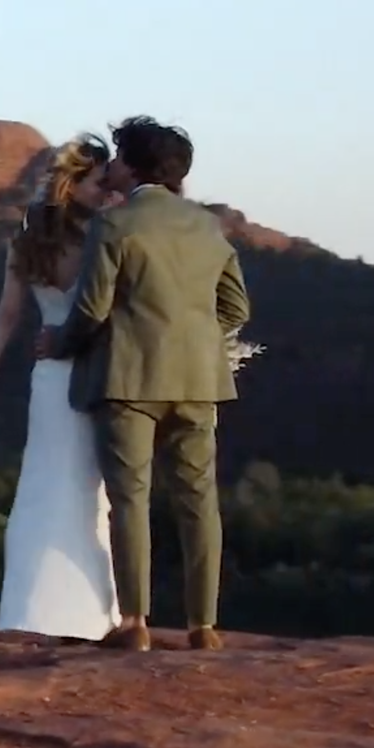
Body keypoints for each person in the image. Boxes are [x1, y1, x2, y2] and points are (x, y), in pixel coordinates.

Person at [34, 117, 250, 652]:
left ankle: (135, 623)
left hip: (128, 378)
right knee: (198, 499)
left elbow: (92, 310)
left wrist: (57, 343)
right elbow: (236, 308)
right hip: (198, 380)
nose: (110, 166)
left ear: (132, 166)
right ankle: (203, 627)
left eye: (117, 157)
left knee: (130, 497)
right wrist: (194, 336)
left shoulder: (114, 225)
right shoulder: (208, 227)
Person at [0, 135, 125, 643]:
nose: (107, 190)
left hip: (49, 378)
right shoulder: (106, 236)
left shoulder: (27, 241)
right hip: (93, 372)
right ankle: (90, 615)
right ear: (72, 184)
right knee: (87, 488)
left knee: (44, 483)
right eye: (99, 181)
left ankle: (31, 608)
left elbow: (8, 315)